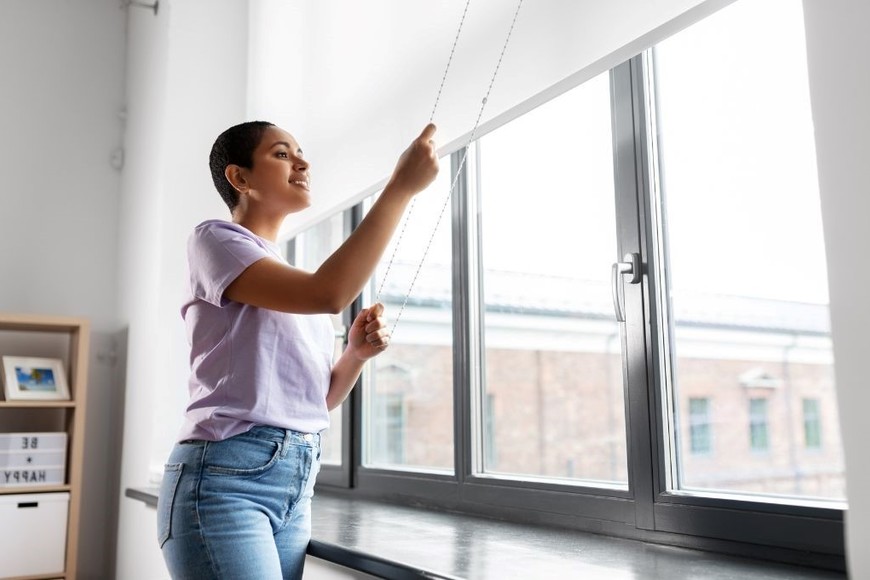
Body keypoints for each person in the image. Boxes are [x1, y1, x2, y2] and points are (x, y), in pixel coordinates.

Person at [156, 121, 439, 579]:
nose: (303, 162)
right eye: (283, 154)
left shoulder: (283, 278)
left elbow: (315, 400)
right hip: (225, 481)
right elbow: (329, 293)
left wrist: (355, 355)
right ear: (239, 178)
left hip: (295, 484)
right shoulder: (214, 240)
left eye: (301, 153)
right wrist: (400, 188)